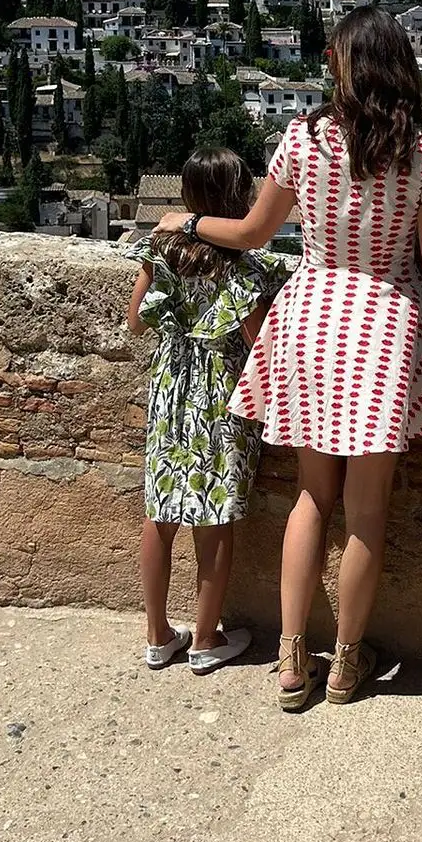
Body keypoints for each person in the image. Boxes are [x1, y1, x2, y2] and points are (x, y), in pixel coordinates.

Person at [157, 5, 422, 713]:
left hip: (308, 322)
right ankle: (348, 664)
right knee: (366, 513)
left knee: (310, 498)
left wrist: (188, 221)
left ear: (343, 65)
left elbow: (253, 230)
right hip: (385, 328)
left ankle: (293, 658)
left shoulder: (301, 139)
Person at [129, 147, 289, 674]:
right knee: (214, 516)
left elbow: (136, 322)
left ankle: (157, 635)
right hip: (221, 390)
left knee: (161, 511)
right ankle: (204, 638)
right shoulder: (244, 265)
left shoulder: (161, 250)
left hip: (171, 383)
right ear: (238, 197)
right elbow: (255, 337)